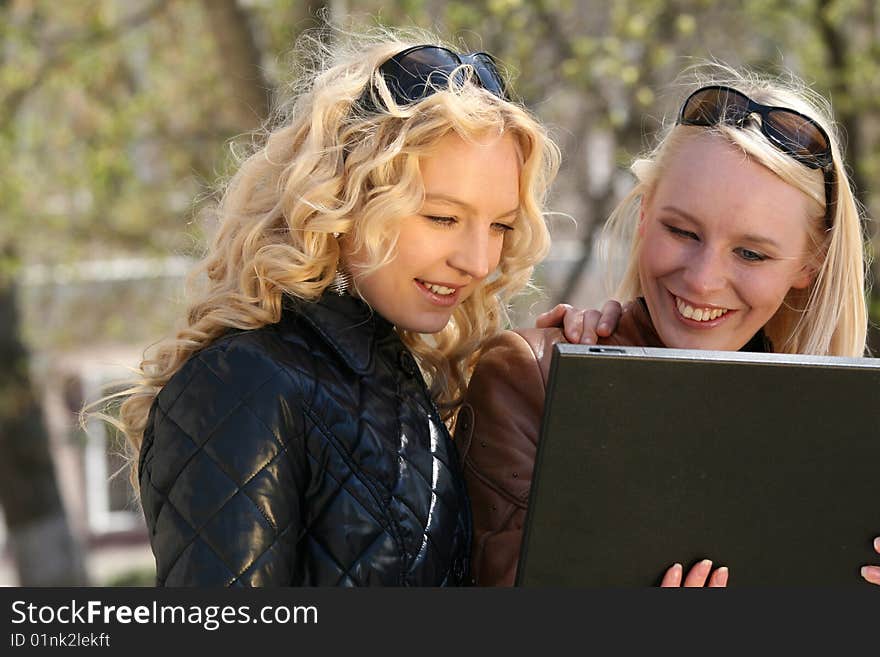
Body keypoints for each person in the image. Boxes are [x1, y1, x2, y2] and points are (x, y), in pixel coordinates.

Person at [110, 31, 563, 586]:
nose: (476, 260)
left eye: (500, 226)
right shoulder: (243, 383)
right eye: (442, 217)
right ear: (343, 195)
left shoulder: (401, 382)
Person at [457, 69, 880, 587]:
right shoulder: (538, 380)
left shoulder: (851, 434)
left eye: (750, 253)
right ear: (643, 215)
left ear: (806, 266)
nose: (703, 281)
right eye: (681, 231)